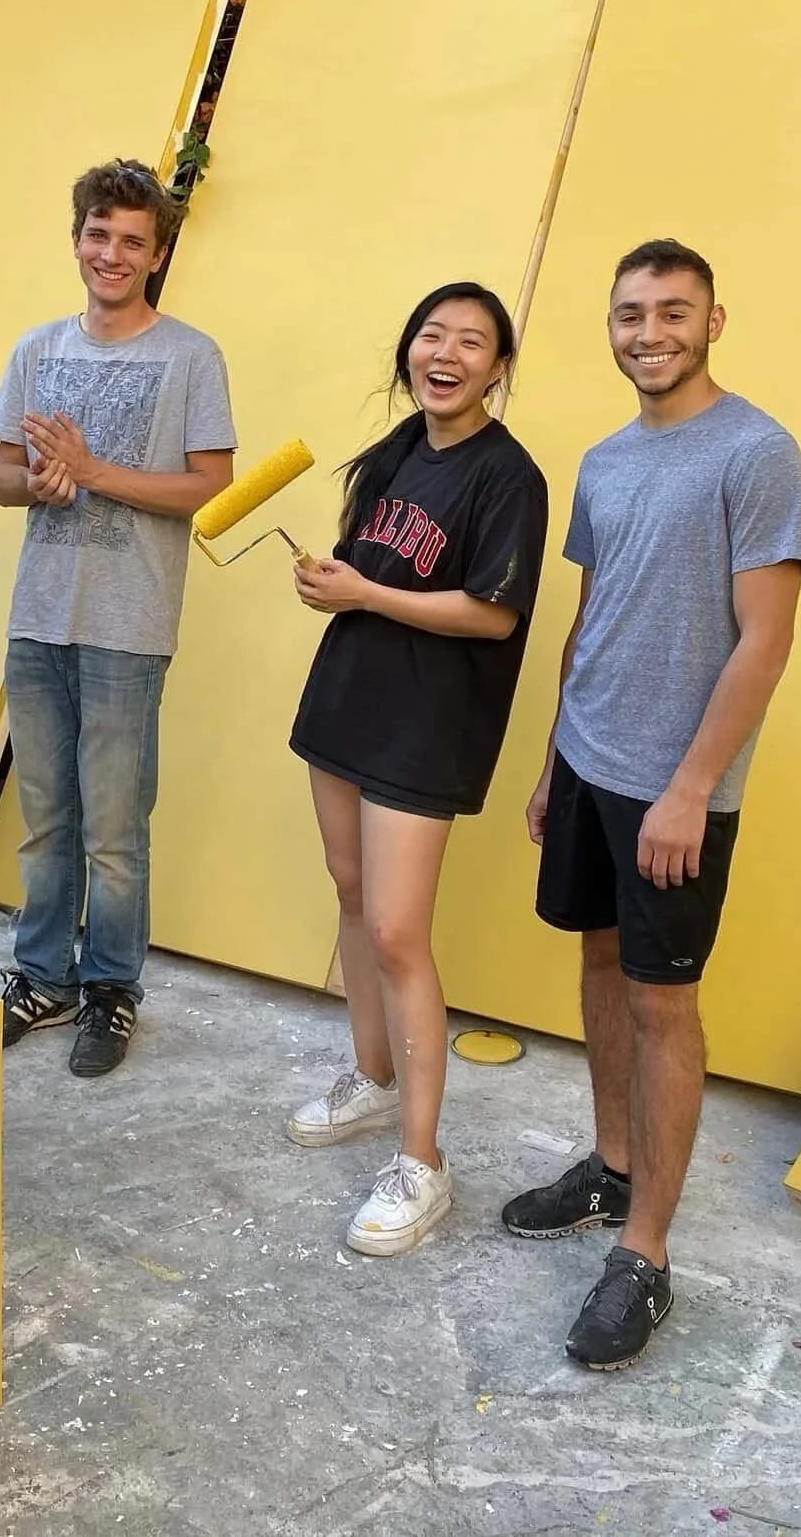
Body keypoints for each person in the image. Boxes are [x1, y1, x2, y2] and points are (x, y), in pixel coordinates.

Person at [507, 238, 801, 1371]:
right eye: (631, 313)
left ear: (712, 323)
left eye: (673, 312)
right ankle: (611, 1165)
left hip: (675, 790)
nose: (650, 333)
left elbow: (765, 639)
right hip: (589, 762)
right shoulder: (603, 461)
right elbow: (592, 619)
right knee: (599, 963)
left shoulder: (756, 452)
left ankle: (645, 1253)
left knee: (663, 1004)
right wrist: (554, 759)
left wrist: (689, 789)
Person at [282, 283, 548, 1256]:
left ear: (498, 367)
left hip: (424, 725)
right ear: (408, 351)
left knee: (398, 930)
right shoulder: (394, 454)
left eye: (471, 342)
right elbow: (371, 573)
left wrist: (366, 595)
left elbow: (493, 613)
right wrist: (332, 584)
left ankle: (421, 1162)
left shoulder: (508, 476)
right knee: (352, 894)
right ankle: (371, 1076)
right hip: (347, 698)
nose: (446, 354)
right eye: (432, 335)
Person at [0, 157, 236, 1077]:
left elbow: (209, 488)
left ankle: (110, 988)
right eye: (99, 234)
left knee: (115, 829)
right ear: (77, 239)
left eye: (134, 241)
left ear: (158, 254)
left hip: (130, 626)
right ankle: (42, 976)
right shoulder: (36, 348)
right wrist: (42, 483)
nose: (113, 253)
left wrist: (94, 473)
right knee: (46, 816)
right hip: (38, 617)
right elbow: (1, 477)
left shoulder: (192, 356)